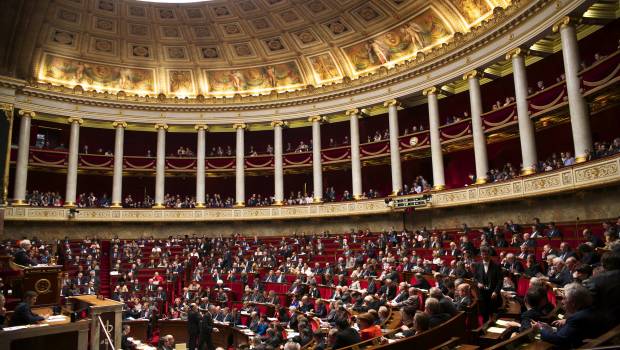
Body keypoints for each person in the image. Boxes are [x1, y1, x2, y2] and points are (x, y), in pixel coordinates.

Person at [535, 283, 603, 348]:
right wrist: (551, 329)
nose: (562, 302)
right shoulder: (590, 310)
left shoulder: (577, 318)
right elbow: (569, 332)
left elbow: (559, 339)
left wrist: (541, 329)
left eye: (564, 298)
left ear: (573, 303)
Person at [473, 246, 503, 321]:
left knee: (493, 314)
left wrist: (496, 292)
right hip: (482, 294)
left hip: (493, 294)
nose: (485, 256)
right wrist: (478, 284)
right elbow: (474, 279)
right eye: (483, 255)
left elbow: (500, 281)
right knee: (484, 314)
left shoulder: (497, 265)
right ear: (481, 255)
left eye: (487, 254)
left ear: (490, 255)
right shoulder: (477, 265)